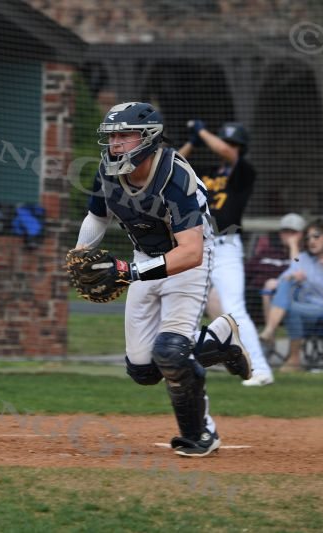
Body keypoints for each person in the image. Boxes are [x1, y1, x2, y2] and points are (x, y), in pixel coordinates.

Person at [75, 102, 250, 458]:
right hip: (145, 256)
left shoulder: (174, 175)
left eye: (125, 135)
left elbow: (191, 252)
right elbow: (97, 216)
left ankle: (200, 434)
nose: (115, 144)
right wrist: (81, 253)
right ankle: (220, 339)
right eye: (112, 136)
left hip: (188, 262)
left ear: (148, 138)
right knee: (143, 369)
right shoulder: (108, 171)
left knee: (170, 353)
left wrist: (129, 273)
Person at [179, 119, 273, 387]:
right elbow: (172, 166)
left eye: (234, 143)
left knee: (235, 308)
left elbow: (227, 152)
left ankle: (260, 369)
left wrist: (202, 131)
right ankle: (179, 362)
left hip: (226, 247)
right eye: (226, 141)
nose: (228, 146)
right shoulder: (208, 172)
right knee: (181, 304)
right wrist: (191, 143)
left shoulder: (244, 171)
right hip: (197, 245)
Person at [259, 218, 323, 370]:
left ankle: (282, 346)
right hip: (303, 305)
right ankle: (278, 340)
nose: (312, 241)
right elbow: (286, 276)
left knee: (290, 308)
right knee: (287, 285)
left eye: (316, 236)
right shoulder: (303, 258)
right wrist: (289, 278)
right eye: (308, 238)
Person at [245, 212, 305, 325]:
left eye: (293, 232)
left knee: (270, 285)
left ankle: (270, 331)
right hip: (253, 298)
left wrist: (293, 245)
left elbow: (297, 269)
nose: (288, 236)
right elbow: (245, 273)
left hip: (282, 300)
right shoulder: (266, 252)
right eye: (285, 231)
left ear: (301, 235)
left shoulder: (302, 256)